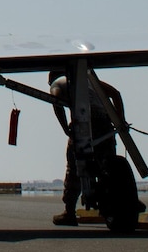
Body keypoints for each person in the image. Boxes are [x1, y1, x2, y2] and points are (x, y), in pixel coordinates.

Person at [48, 70, 130, 226]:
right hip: (105, 125)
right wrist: (121, 120)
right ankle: (122, 200)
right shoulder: (90, 81)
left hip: (84, 124)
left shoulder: (58, 83)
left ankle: (69, 212)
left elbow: (56, 100)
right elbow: (116, 94)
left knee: (75, 167)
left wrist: (65, 127)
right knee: (110, 165)